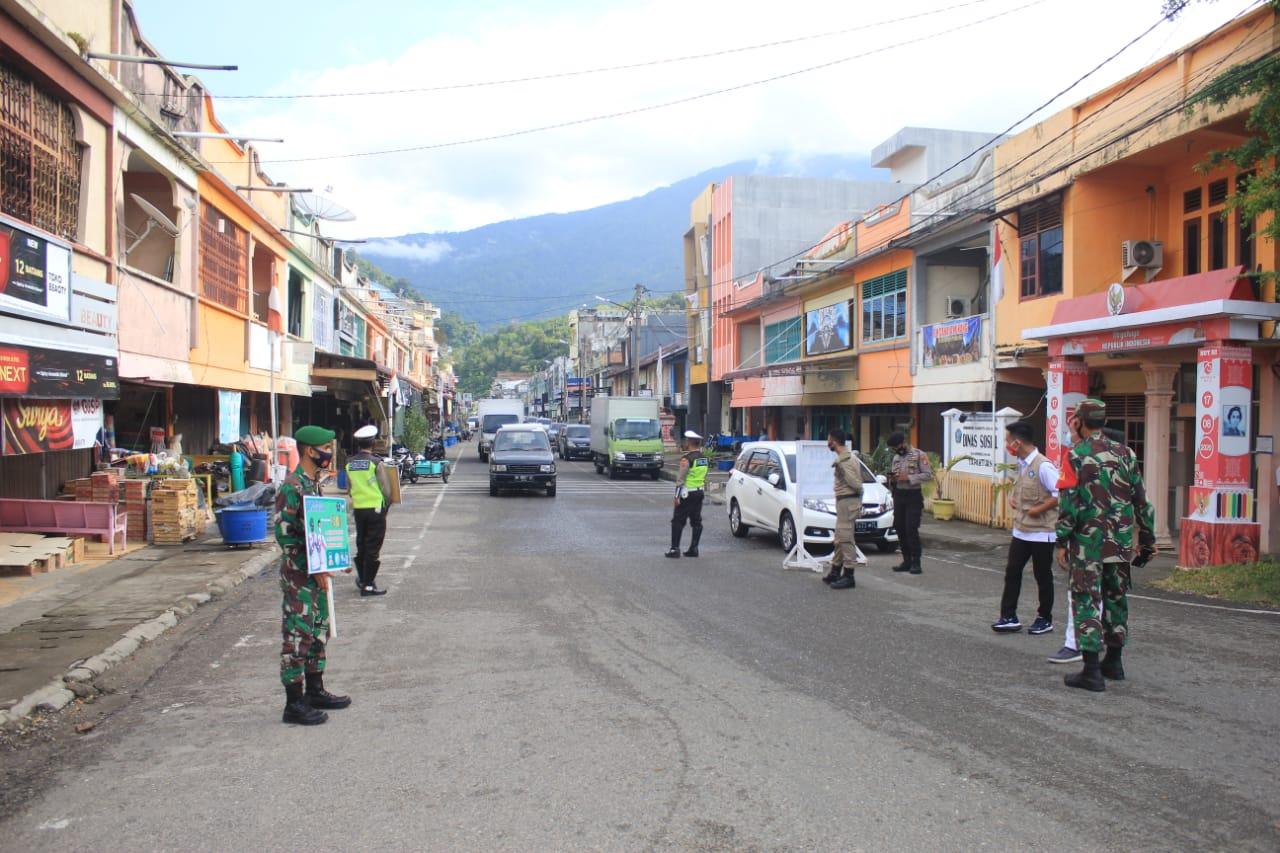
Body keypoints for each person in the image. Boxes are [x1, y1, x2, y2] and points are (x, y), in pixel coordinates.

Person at [1055, 400, 1156, 692]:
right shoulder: (1126, 453)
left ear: (1079, 422)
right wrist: (1147, 540)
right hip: (1120, 542)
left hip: (1088, 545)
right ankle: (1113, 661)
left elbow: (1069, 506)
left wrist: (1061, 540)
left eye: (1073, 419)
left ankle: (1091, 671)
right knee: (1116, 598)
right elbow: (1142, 501)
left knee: (1086, 600)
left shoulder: (1075, 455)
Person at [275, 425, 352, 725]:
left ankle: (315, 690)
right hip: (300, 578)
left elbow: (318, 530)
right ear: (310, 451)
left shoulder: (312, 484)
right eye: (326, 449)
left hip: (317, 576)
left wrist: (335, 557)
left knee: (319, 630)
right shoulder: (292, 487)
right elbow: (286, 538)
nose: (329, 454)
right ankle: (294, 703)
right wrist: (315, 566)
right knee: (297, 636)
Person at [992, 420, 1059, 635]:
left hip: (1042, 532)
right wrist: (1015, 500)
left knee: (1042, 575)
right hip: (1021, 530)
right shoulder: (1022, 464)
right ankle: (1008, 616)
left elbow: (1060, 494)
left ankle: (1044, 618)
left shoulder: (1044, 465)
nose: (1006, 445)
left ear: (1018, 442)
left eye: (1008, 441)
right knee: (1012, 572)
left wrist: (1038, 509)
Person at [346, 424, 393, 597]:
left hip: (359, 509)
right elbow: (386, 490)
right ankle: (368, 585)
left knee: (361, 544)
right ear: (373, 443)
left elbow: (349, 489)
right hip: (375, 509)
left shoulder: (349, 463)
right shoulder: (376, 462)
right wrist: (386, 505)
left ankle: (363, 578)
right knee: (373, 545)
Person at [886, 430, 932, 575]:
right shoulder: (896, 458)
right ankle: (906, 560)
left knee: (911, 528)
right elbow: (895, 476)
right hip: (899, 495)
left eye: (896, 446)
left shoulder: (919, 455)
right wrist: (893, 478)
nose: (896, 450)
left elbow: (927, 475)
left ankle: (916, 562)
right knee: (899, 527)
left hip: (913, 495)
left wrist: (910, 478)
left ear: (903, 443)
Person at [824, 429, 863, 590]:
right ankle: (835, 570)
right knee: (840, 538)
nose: (828, 443)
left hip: (848, 501)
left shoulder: (845, 460)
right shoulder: (845, 457)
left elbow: (856, 484)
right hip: (844, 501)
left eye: (829, 440)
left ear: (834, 441)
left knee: (846, 539)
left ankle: (849, 575)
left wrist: (842, 470)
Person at [666, 431, 709, 558]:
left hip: (687, 493)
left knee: (677, 521)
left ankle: (675, 549)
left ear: (690, 443)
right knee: (696, 521)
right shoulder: (703, 458)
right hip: (699, 492)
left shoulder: (687, 459)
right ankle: (694, 548)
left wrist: (676, 496)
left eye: (686, 441)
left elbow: (681, 479)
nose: (685, 442)